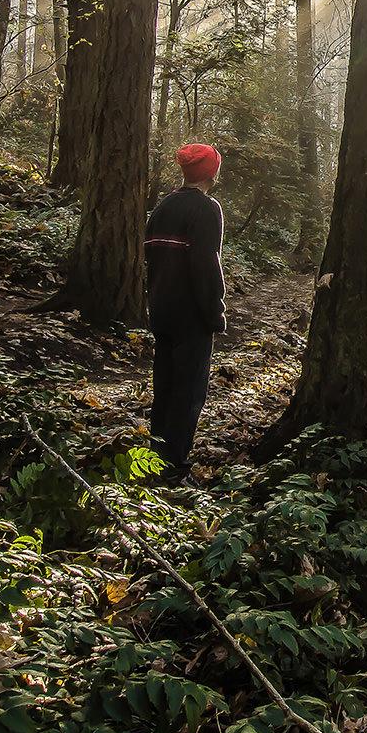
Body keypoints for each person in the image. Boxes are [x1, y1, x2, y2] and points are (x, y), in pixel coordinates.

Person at [144, 143, 227, 481]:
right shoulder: (207, 209)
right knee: (190, 390)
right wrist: (215, 310)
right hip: (191, 313)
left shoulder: (162, 207)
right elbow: (206, 264)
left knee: (164, 385)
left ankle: (154, 456)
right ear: (212, 172)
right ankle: (173, 466)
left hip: (161, 310)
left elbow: (152, 259)